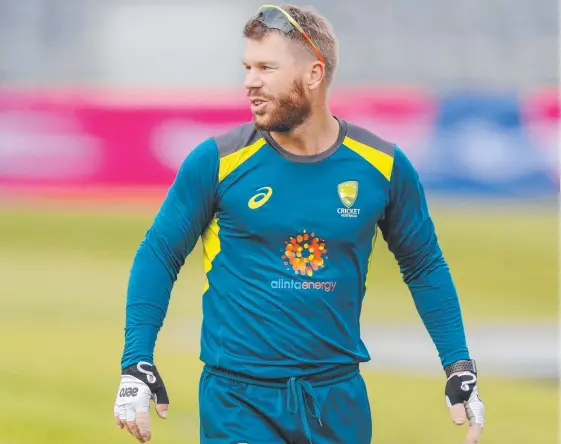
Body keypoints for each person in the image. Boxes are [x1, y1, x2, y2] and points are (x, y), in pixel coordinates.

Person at [113, 4, 485, 444]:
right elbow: (159, 253)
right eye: (248, 67)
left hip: (338, 401)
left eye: (267, 67)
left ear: (313, 74)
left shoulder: (382, 166)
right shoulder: (216, 161)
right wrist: (136, 360)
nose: (250, 81)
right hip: (237, 402)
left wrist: (458, 365)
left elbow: (424, 266)